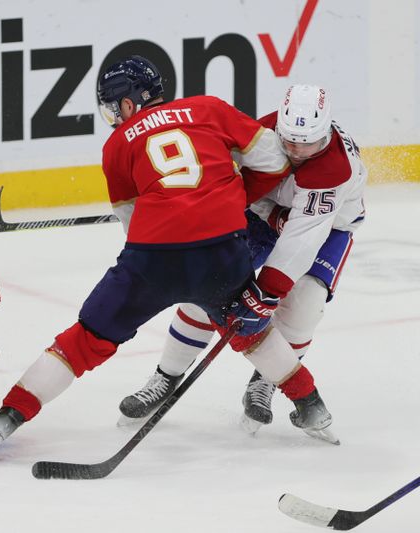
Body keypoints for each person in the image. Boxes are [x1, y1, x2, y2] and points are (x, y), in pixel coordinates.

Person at [0, 56, 336, 457]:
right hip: (223, 249)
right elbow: (276, 160)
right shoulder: (208, 107)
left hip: (152, 258)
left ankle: (7, 418)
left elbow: (131, 222)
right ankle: (311, 405)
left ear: (128, 104)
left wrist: (170, 219)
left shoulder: (116, 145)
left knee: (85, 339)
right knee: (252, 332)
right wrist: (227, 191)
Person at [118, 85, 366, 434]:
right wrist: (263, 212)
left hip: (328, 229)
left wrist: (267, 290)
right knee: (208, 284)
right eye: (289, 140)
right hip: (265, 216)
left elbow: (302, 237)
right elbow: (231, 181)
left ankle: (266, 379)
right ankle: (165, 376)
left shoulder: (335, 168)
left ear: (324, 133)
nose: (295, 151)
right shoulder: (263, 132)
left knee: (304, 305)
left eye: (306, 143)